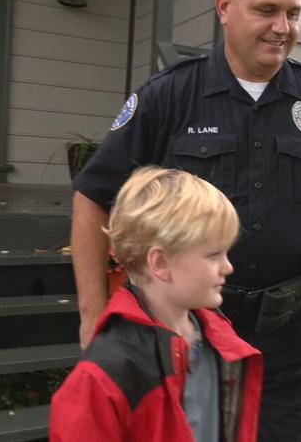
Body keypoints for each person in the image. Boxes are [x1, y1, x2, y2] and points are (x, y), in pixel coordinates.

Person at [70, 0, 301, 440]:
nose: (283, 26)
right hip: (187, 335)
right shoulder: (169, 96)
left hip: (287, 342)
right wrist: (93, 316)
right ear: (224, 7)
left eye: (293, 12)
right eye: (267, 10)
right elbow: (93, 196)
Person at [51, 167, 263, 441]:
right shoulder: (106, 374)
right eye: (214, 255)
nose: (228, 267)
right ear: (160, 262)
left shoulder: (216, 337)